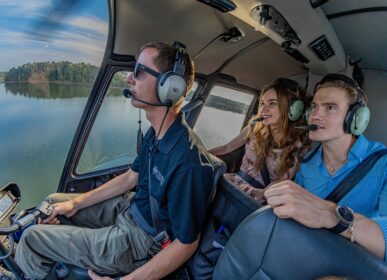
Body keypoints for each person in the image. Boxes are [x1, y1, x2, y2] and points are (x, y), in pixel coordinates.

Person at [13, 42, 215, 279]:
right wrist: (75, 204)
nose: (129, 78)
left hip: (143, 241)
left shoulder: (189, 161)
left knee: (32, 238)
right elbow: (130, 177)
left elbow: (186, 244)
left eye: (139, 72)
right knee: (53, 202)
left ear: (169, 88)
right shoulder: (157, 133)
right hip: (129, 210)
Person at [265, 74, 387, 261]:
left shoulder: (382, 163)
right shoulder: (306, 163)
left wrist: (332, 216)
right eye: (313, 107)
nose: (315, 115)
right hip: (304, 253)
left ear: (356, 118)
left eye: (330, 108)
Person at [210, 78, 310, 203]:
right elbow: (227, 148)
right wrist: (201, 153)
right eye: (262, 103)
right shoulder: (254, 126)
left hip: (259, 195)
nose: (263, 109)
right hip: (232, 182)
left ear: (291, 110)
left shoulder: (300, 143)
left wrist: (263, 193)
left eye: (272, 103)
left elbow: (284, 178)